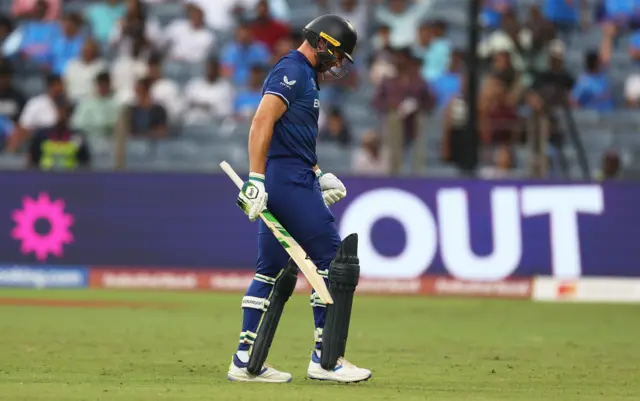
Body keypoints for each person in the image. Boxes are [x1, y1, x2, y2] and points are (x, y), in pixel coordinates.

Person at [227, 14, 372, 384]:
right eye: (338, 54)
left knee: (270, 270)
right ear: (321, 43)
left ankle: (244, 360)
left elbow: (294, 135)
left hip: (295, 176)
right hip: (286, 180)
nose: (339, 63)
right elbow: (262, 122)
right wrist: (256, 179)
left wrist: (318, 174)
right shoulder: (291, 69)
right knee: (334, 260)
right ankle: (327, 360)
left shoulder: (306, 76)